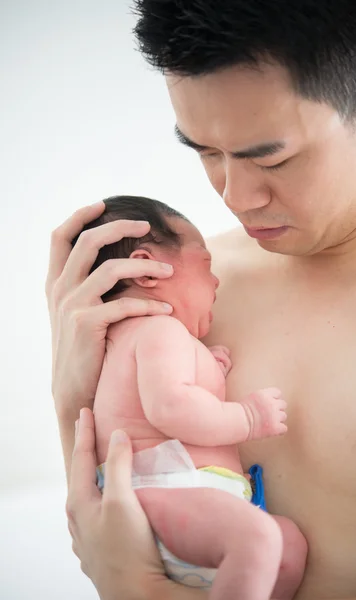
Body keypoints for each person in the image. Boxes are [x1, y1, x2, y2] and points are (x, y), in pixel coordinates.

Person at [46, 1, 356, 599]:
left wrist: (145, 592)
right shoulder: (174, 295)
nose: (236, 197)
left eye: (271, 157)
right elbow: (109, 531)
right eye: (206, 151)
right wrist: (68, 395)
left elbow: (135, 582)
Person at [73, 194, 305, 600]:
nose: (216, 281)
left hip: (195, 503)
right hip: (166, 492)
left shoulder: (146, 341)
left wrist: (205, 369)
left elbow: (168, 391)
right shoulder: (157, 330)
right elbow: (170, 407)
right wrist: (247, 418)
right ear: (147, 270)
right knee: (259, 539)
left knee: (287, 545)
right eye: (206, 264)